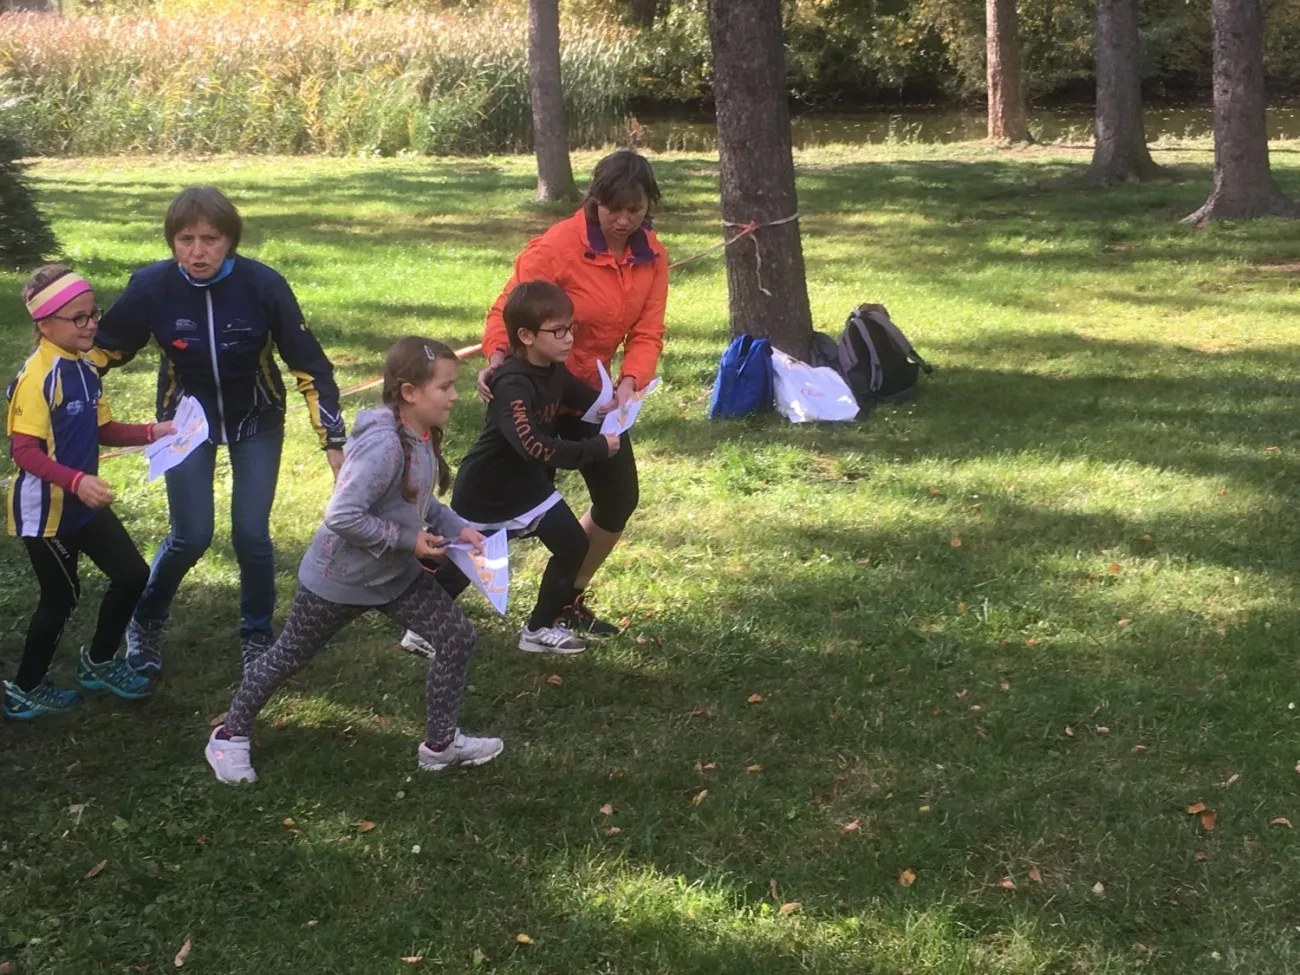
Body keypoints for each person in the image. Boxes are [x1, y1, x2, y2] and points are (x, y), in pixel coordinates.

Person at [205, 337, 501, 784]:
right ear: (409, 392)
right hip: (339, 579)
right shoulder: (384, 446)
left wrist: (458, 527)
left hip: (393, 574)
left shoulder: (420, 433)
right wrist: (408, 540)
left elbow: (420, 499)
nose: (454, 395)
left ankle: (441, 746)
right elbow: (342, 516)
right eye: (444, 387)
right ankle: (229, 736)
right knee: (288, 656)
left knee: (456, 638)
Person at [93, 186, 348, 676]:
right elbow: (102, 351)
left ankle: (257, 634)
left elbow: (310, 367)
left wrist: (333, 439)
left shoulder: (264, 285)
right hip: (183, 423)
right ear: (172, 242)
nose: (197, 251)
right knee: (191, 536)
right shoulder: (151, 286)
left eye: (210, 239)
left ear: (230, 240)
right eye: (185, 240)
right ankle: (145, 621)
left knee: (251, 534)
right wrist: (57, 394)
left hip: (257, 419)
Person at [476, 150, 668, 638]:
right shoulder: (559, 246)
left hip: (593, 399)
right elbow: (507, 309)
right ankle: (424, 601)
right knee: (502, 509)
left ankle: (565, 601)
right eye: (613, 209)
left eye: (635, 210)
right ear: (594, 200)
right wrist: (498, 359)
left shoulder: (652, 255)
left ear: (649, 205)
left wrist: (630, 381)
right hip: (538, 391)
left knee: (618, 501)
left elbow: (648, 332)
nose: (623, 221)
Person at [401, 281, 619, 659]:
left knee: (573, 544)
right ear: (526, 336)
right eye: (558, 331)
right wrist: (596, 448)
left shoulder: (553, 368)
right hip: (487, 491)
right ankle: (419, 628)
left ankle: (538, 629)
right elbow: (534, 446)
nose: (569, 338)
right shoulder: (512, 385)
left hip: (529, 487)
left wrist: (609, 405)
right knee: (467, 565)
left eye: (571, 328)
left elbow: (577, 395)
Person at [3, 266, 176, 720]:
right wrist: (77, 481)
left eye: (93, 313)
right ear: (45, 325)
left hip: (83, 502)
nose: (91, 324)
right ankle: (24, 689)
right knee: (61, 598)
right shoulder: (37, 377)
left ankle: (98, 662)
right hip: (46, 512)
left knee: (132, 575)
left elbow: (104, 428)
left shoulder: (85, 368)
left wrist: (152, 432)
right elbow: (24, 451)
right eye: (77, 318)